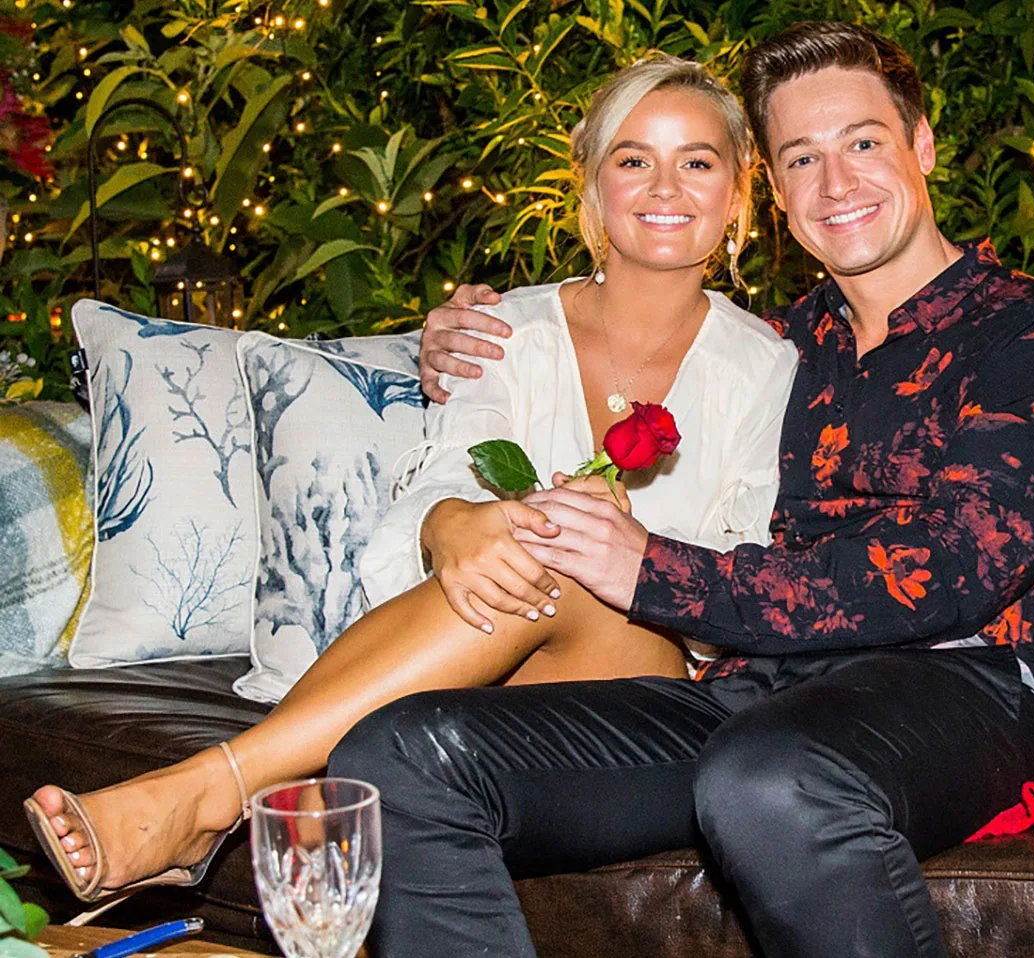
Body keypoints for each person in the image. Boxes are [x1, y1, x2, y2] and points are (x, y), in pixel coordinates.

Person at [328, 20, 1034, 958]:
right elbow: (623, 329)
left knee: (773, 781)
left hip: (974, 682)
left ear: (921, 147)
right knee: (399, 760)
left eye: (863, 143)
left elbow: (952, 569)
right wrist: (452, 341)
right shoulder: (780, 353)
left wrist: (654, 572)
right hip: (760, 686)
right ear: (777, 190)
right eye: (801, 158)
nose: (837, 183)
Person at [24, 57, 797, 913]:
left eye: (697, 160)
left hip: (645, 680)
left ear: (738, 193)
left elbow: (749, 566)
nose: (665, 185)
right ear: (591, 182)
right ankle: (293, 792)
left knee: (557, 551)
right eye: (632, 158)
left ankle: (211, 793)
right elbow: (442, 477)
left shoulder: (769, 367)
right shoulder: (499, 329)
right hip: (484, 652)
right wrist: (451, 522)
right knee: (517, 545)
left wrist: (635, 554)